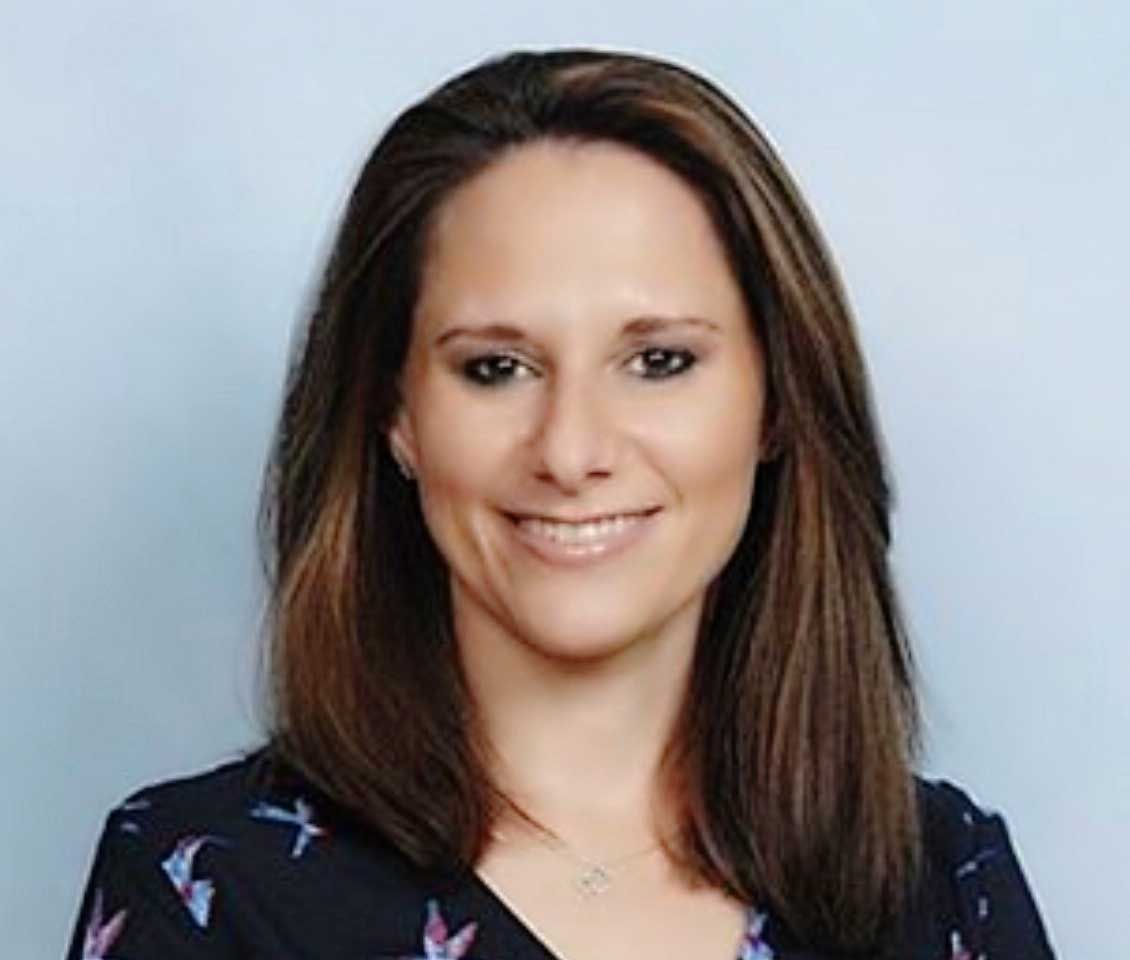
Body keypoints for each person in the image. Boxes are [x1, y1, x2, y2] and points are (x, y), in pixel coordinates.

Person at [65, 47, 1056, 959]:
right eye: (495, 368)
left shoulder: (941, 885)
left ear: (774, 404)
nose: (571, 450)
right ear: (395, 414)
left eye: (658, 361)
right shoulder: (201, 888)